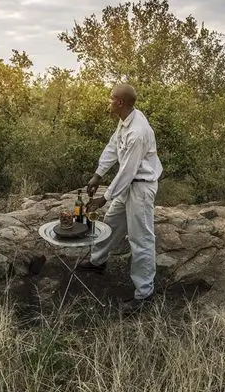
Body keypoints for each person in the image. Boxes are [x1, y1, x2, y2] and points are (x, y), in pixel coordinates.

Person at [80, 83, 163, 315]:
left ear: (120, 103)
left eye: (110, 98)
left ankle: (144, 294)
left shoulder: (138, 131)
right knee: (112, 224)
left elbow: (127, 170)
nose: (108, 101)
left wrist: (104, 198)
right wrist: (98, 174)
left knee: (141, 239)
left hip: (141, 188)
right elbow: (113, 147)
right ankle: (98, 261)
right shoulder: (126, 120)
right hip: (128, 186)